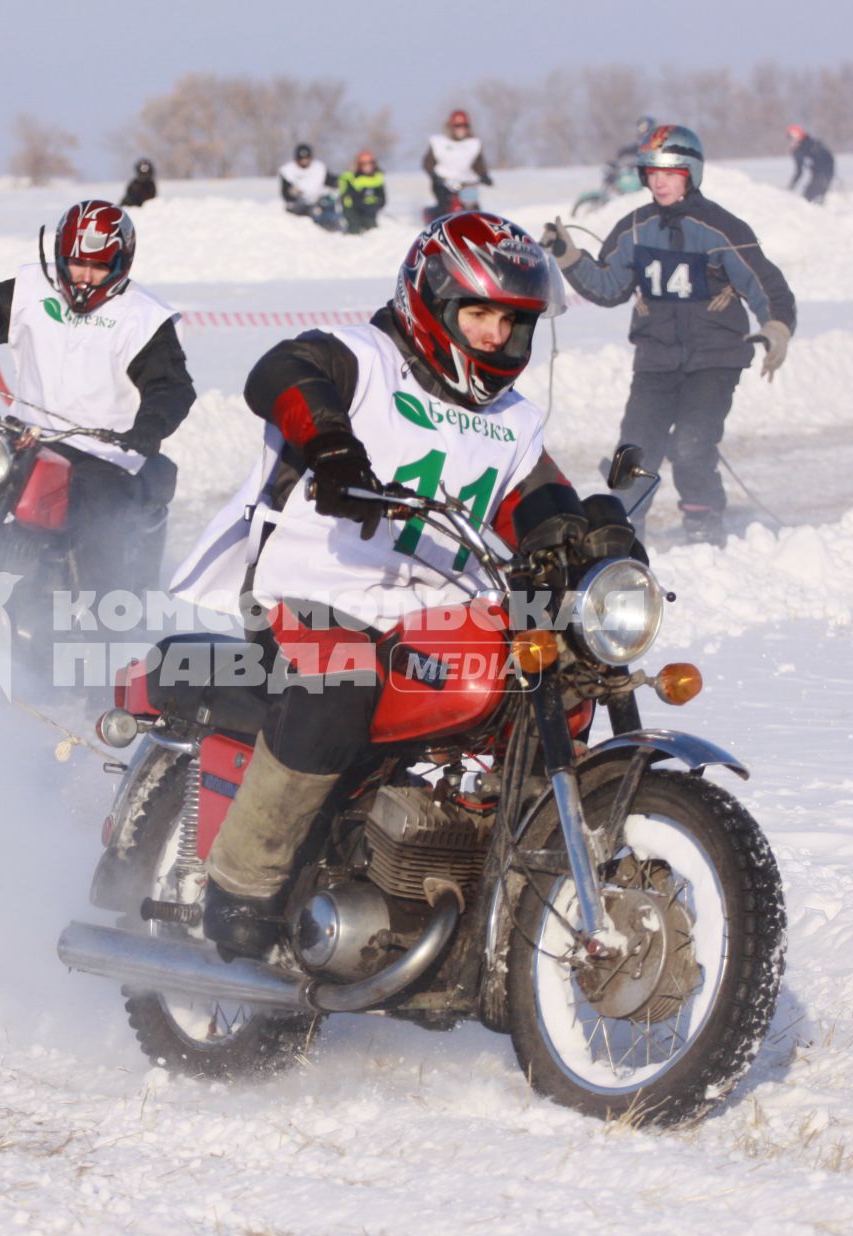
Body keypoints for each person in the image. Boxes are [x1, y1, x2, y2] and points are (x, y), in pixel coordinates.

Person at [167, 212, 631, 958]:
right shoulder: (358, 357)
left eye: (511, 321)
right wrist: (330, 444)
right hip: (311, 589)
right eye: (477, 313)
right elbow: (279, 375)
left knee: (550, 675)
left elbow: (537, 502)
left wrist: (590, 539)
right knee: (338, 682)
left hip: (435, 609)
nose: (492, 335)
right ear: (430, 300)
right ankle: (242, 889)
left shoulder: (513, 420)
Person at [0, 199, 195, 600]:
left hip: (105, 452)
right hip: (29, 437)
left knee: (98, 510)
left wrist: (150, 426)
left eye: (97, 267)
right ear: (59, 255)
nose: (84, 278)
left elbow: (170, 385)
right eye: (77, 264)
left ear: (121, 265)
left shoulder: (143, 319)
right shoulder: (31, 291)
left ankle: (101, 622)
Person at [542, 124, 797, 545]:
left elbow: (766, 284)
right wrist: (568, 256)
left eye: (670, 172)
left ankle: (704, 524)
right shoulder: (634, 229)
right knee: (634, 455)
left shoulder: (720, 228)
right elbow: (609, 288)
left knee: (692, 447)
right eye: (652, 173)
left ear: (691, 173)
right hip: (656, 363)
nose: (659, 182)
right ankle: (623, 534)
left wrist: (777, 327)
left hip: (715, 359)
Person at [422, 109, 492, 220]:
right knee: (445, 207)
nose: (461, 129)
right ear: (451, 127)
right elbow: (428, 163)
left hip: (466, 182)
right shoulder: (439, 143)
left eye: (464, 126)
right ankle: (436, 223)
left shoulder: (473, 144)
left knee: (473, 209)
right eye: (458, 126)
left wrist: (484, 176)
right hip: (443, 182)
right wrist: (433, 175)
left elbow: (478, 164)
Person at [279, 142, 338, 219]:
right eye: (302, 159)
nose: (304, 161)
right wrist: (292, 193)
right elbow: (285, 193)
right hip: (298, 203)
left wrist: (339, 182)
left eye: (306, 158)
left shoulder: (319, 168)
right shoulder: (288, 170)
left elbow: (331, 181)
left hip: (317, 201)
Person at [336, 149, 386, 234]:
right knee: (355, 230)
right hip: (353, 209)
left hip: (369, 209)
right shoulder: (353, 178)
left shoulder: (378, 177)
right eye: (364, 164)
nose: (367, 167)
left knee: (372, 228)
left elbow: (382, 197)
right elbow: (355, 198)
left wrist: (376, 205)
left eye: (369, 164)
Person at [786, 126, 835, 204]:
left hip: (825, 173)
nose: (792, 141)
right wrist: (792, 186)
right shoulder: (798, 151)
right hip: (817, 175)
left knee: (814, 196)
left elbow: (826, 158)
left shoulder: (811, 144)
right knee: (808, 198)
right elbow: (799, 171)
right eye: (790, 139)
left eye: (793, 138)